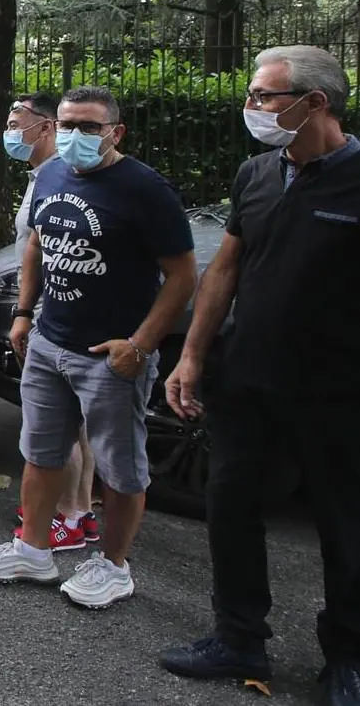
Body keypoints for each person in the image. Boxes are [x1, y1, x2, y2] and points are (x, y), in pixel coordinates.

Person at [160, 46, 360, 697]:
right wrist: (192, 353)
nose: (251, 107)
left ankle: (346, 658)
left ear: (314, 103)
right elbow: (225, 269)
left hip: (335, 390)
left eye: (263, 96)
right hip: (246, 377)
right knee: (231, 508)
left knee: (343, 524)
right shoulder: (255, 173)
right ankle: (238, 638)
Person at [0, 86, 196, 610]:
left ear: (115, 132)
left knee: (121, 468)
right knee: (41, 452)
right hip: (50, 341)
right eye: (67, 125)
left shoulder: (145, 189)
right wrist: (25, 314)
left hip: (110, 354)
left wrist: (139, 346)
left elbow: (182, 276)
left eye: (89, 127)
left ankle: (113, 566)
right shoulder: (50, 174)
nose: (75, 136)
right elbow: (37, 245)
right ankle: (33, 549)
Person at [2, 92, 101, 551]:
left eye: (17, 120)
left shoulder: (69, 178)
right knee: (71, 423)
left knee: (62, 423)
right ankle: (78, 511)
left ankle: (69, 514)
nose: (10, 129)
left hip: (60, 316)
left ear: (45, 127)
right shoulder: (44, 175)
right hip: (43, 316)